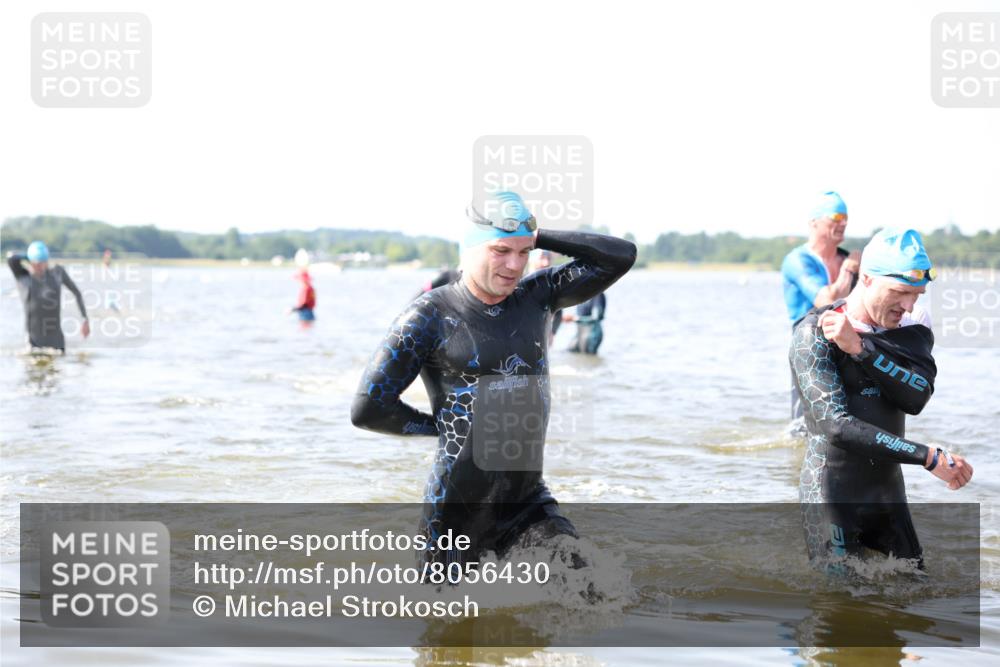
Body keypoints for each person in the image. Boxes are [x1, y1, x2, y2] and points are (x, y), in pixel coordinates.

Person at [351, 191, 636, 566]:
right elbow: (369, 409)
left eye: (523, 253)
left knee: (591, 592)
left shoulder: (538, 297)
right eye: (501, 250)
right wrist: (442, 428)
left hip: (528, 502)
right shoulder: (428, 317)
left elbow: (619, 256)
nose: (514, 265)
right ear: (469, 249)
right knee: (448, 621)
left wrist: (538, 235)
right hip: (456, 515)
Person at [790, 228, 973, 572]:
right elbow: (837, 428)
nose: (908, 306)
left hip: (887, 494)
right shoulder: (813, 333)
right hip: (832, 493)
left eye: (916, 295)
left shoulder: (912, 326)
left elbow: (916, 397)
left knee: (916, 592)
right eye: (901, 292)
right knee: (841, 605)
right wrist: (927, 457)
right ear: (868, 279)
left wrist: (861, 350)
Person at [782, 192, 861, 421]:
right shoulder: (798, 261)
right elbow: (825, 300)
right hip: (810, 345)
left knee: (848, 418)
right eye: (836, 216)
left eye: (845, 217)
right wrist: (848, 271)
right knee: (805, 423)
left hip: (846, 342)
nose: (843, 223)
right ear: (814, 222)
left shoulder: (849, 259)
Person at [7, 241, 90, 352]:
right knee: (31, 366)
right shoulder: (23, 277)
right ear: (30, 262)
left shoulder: (57, 273)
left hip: (56, 340)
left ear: (47, 261)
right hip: (33, 341)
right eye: (36, 264)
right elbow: (11, 258)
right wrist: (29, 255)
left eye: (42, 262)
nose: (40, 267)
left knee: (59, 364)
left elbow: (77, 292)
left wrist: (85, 319)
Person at [527, 250, 562, 345]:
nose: (546, 263)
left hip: (541, 337)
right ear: (531, 260)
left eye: (548, 259)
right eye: (542, 258)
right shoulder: (516, 282)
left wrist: (553, 333)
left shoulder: (552, 286)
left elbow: (558, 313)